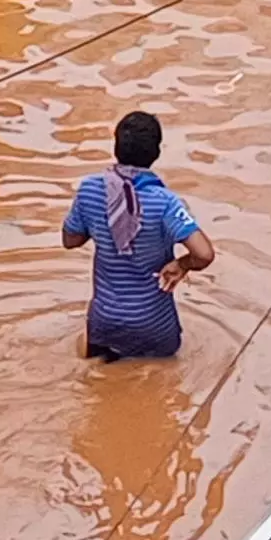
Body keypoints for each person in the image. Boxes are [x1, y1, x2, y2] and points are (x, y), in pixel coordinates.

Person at [60, 111, 214, 362]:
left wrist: (101, 220)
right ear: (156, 153)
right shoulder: (166, 203)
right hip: (154, 325)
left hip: (105, 322)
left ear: (116, 146)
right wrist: (182, 264)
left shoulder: (90, 189)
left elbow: (70, 240)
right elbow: (204, 254)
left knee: (99, 389)